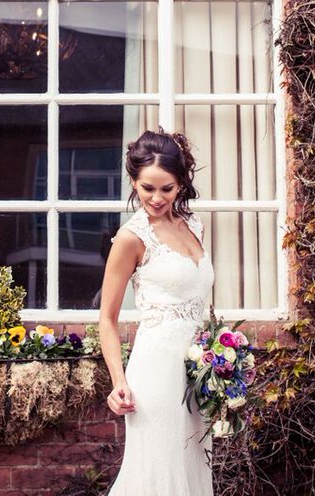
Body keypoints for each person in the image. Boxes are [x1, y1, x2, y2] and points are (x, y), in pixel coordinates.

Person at [99, 129, 215, 495]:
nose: (157, 198)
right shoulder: (131, 238)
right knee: (158, 475)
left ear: (181, 183)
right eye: (147, 188)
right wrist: (119, 382)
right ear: (134, 182)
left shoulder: (194, 226)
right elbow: (107, 319)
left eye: (167, 188)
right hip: (155, 374)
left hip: (196, 376)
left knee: (191, 471)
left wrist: (221, 356)